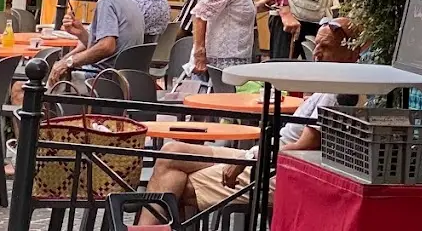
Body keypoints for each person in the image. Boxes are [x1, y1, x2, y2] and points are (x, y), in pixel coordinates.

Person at [139, 18, 364, 223]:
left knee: (176, 181)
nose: (316, 53)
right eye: (316, 45)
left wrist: (251, 156)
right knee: (172, 152)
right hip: (267, 158)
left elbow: (300, 151)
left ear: (351, 54)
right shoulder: (331, 85)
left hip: (278, 169)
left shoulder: (339, 93)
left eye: (325, 47)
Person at [47, 0, 145, 85]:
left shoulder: (106, 2)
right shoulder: (128, 3)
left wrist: (69, 62)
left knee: (24, 86)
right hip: (122, 81)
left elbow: (107, 47)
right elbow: (108, 47)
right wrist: (82, 33)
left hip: (100, 80)